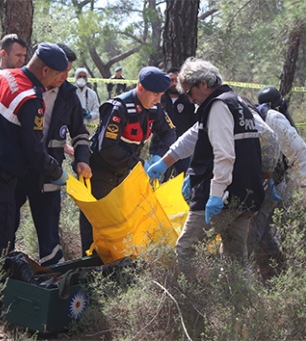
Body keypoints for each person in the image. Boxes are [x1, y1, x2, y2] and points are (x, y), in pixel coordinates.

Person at [147, 58, 264, 279]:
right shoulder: (237, 102)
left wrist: (216, 194)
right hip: (247, 195)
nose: (190, 100)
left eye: (190, 93)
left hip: (223, 197)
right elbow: (194, 135)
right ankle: (241, 307)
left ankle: (198, 303)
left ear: (203, 84)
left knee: (186, 250)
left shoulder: (218, 106)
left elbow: (224, 154)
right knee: (235, 261)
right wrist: (165, 162)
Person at [0, 43, 69, 288]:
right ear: (44, 70)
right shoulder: (31, 98)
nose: (58, 82)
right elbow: (33, 148)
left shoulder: (1, 76)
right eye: (57, 76)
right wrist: (55, 170)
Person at [78, 66, 176, 254]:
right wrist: (139, 163)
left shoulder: (154, 108)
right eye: (155, 94)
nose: (158, 99)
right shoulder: (119, 108)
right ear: (140, 89)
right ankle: (89, 268)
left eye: (161, 95)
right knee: (98, 222)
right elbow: (107, 147)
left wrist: (159, 157)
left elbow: (170, 133)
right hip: (100, 173)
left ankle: (115, 265)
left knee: (121, 223)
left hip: (124, 174)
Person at [14, 44, 92, 266]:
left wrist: (83, 160)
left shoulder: (68, 95)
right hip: (17, 168)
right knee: (8, 224)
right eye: (61, 70)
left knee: (48, 228)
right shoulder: (25, 87)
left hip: (50, 172)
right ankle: (4, 274)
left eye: (68, 71)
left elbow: (80, 132)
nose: (64, 76)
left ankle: (51, 278)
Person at [249, 86, 306, 282]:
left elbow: (300, 152)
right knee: (264, 231)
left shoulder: (273, 119)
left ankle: (287, 276)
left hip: (274, 184)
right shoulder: (249, 116)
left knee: (261, 231)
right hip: (258, 184)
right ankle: (276, 276)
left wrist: (303, 187)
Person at [147, 67, 197, 181]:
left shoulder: (189, 100)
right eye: (171, 80)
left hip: (183, 147)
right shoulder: (159, 98)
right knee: (156, 179)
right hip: (159, 146)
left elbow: (195, 123)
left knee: (180, 178)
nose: (174, 83)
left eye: (177, 80)